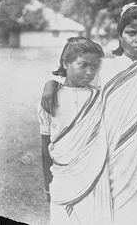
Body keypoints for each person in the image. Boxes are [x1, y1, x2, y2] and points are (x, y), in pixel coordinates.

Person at [41, 3, 137, 225]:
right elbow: (72, 79)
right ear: (120, 35)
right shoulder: (104, 69)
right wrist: (51, 84)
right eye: (131, 33)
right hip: (111, 164)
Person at [38, 37, 113, 225]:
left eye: (94, 67)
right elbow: (45, 147)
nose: (90, 72)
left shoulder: (100, 96)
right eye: (83, 65)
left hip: (96, 179)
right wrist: (48, 187)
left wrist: (51, 82)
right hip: (63, 179)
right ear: (66, 62)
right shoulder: (48, 102)